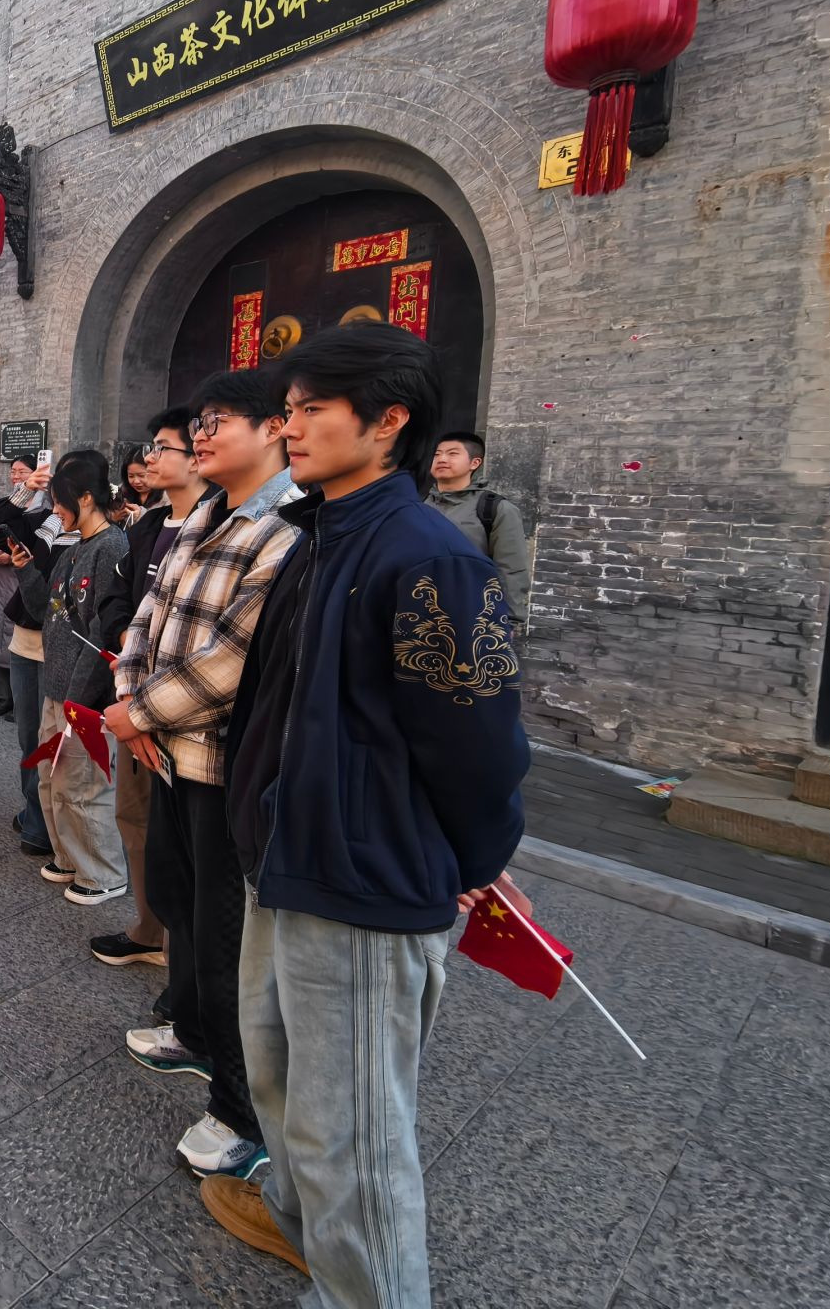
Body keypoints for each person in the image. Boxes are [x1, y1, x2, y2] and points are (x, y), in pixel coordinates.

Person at [199, 325, 531, 1299]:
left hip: (360, 881)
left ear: (388, 421)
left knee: (350, 1136)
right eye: (286, 409)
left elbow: (477, 739)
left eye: (311, 409)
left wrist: (477, 857)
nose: (290, 427)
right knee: (280, 1086)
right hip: (283, 857)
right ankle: (305, 1231)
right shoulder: (320, 537)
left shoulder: (431, 558)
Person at [105, 367, 300, 1182]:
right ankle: (190, 1030)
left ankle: (241, 1112)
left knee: (228, 940)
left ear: (274, 429)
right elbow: (146, 621)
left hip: (220, 763)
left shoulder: (286, 529)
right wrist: (132, 701)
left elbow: (232, 661)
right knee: (179, 900)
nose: (202, 436)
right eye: (200, 424)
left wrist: (140, 714)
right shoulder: (201, 517)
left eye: (219, 421)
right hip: (166, 751)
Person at [90, 408, 212, 968]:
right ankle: (147, 926)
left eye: (164, 447)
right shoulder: (145, 528)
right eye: (151, 447)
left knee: (189, 838)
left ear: (199, 456)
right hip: (131, 692)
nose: (150, 459)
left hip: (191, 709)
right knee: (135, 817)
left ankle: (185, 954)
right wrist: (127, 645)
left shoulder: (222, 527)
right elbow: (116, 600)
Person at [15, 452, 130, 905]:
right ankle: (69, 858)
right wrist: (25, 569)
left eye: (61, 501)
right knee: (53, 779)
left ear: (85, 498)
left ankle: (103, 873)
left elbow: (103, 633)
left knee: (84, 785)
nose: (55, 510)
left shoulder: (111, 547)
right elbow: (48, 610)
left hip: (85, 696)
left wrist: (78, 699)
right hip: (57, 686)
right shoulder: (75, 546)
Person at [426, 431, 532, 621]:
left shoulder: (495, 508)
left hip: (472, 614)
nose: (441, 459)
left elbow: (511, 569)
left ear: (474, 463)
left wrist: (508, 619)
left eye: (452, 453)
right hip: (419, 610)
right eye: (436, 454)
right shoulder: (419, 506)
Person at [0, 456, 38, 719]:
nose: (16, 477)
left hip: (20, 581)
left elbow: (39, 549)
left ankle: (22, 702)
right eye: (13, 472)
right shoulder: (5, 506)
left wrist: (11, 557)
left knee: (16, 639)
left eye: (22, 472)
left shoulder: (42, 510)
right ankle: (3, 697)